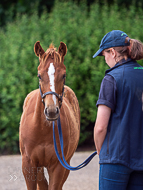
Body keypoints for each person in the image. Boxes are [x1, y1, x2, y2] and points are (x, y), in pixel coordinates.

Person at [93, 30, 143, 190]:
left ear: (112, 52)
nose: (105, 59)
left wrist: (102, 153)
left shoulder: (111, 79)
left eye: (104, 55)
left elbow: (100, 127)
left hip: (115, 159)